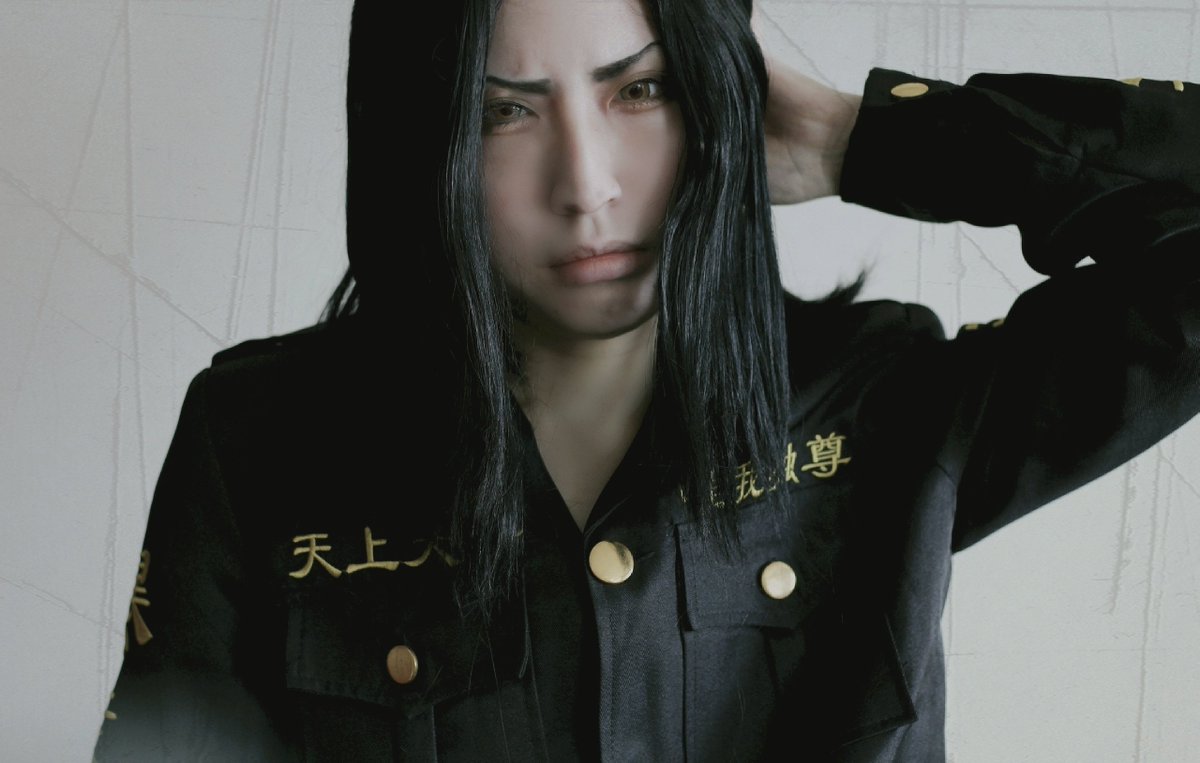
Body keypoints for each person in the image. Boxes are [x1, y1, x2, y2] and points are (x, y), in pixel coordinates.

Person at [93, 0, 1200, 759]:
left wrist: (863, 141)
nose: (589, 187)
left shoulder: (879, 401)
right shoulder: (260, 444)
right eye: (504, 109)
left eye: (642, 90)